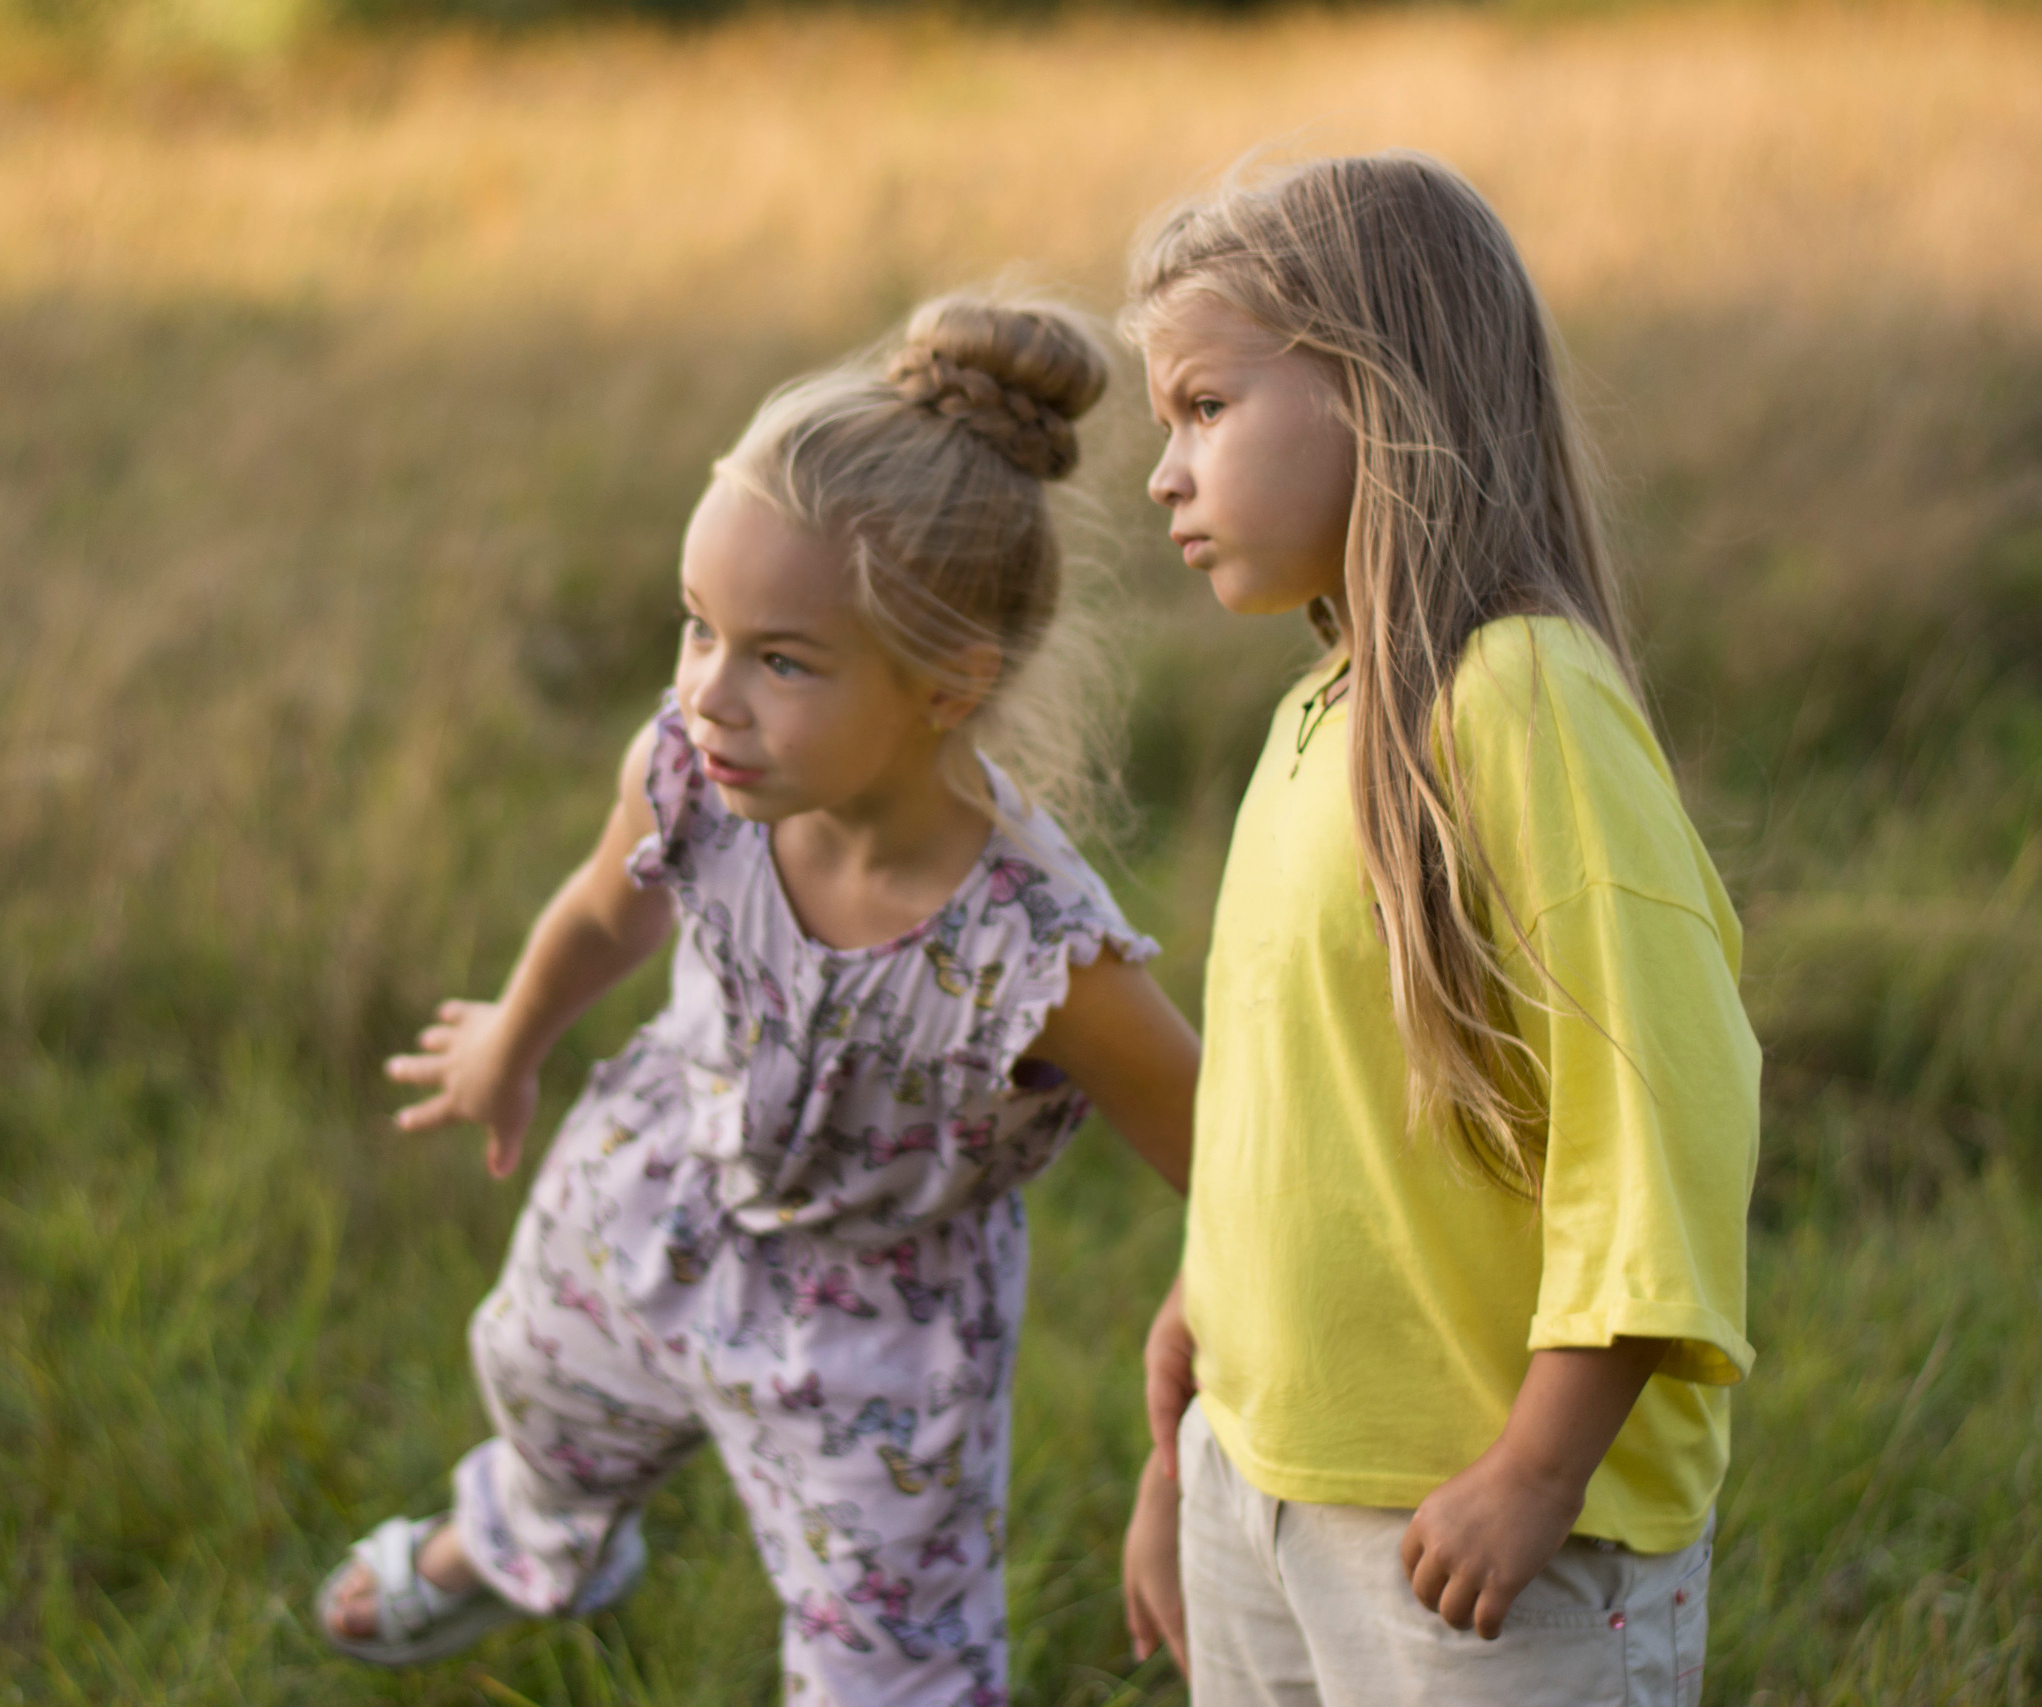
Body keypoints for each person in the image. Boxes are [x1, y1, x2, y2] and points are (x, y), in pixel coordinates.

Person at [318, 293, 1206, 1706]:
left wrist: (1191, 1439)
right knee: (550, 1402)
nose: (710, 695)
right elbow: (611, 905)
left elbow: (1228, 1175)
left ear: (947, 681)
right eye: (697, 629)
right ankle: (524, 1542)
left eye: (781, 658)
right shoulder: (696, 770)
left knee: (892, 1664)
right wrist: (514, 1033)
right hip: (661, 1189)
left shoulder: (1039, 954)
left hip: (882, 1332)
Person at [1113, 151, 1762, 1706]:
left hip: (1473, 1531)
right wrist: (1201, 1347)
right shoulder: (1315, 723)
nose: (1163, 475)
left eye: (1206, 408)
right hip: (1264, 1481)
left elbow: (1657, 1111)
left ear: (1379, 390)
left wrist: (1540, 1466)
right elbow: (1312, 1086)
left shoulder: (1521, 702)